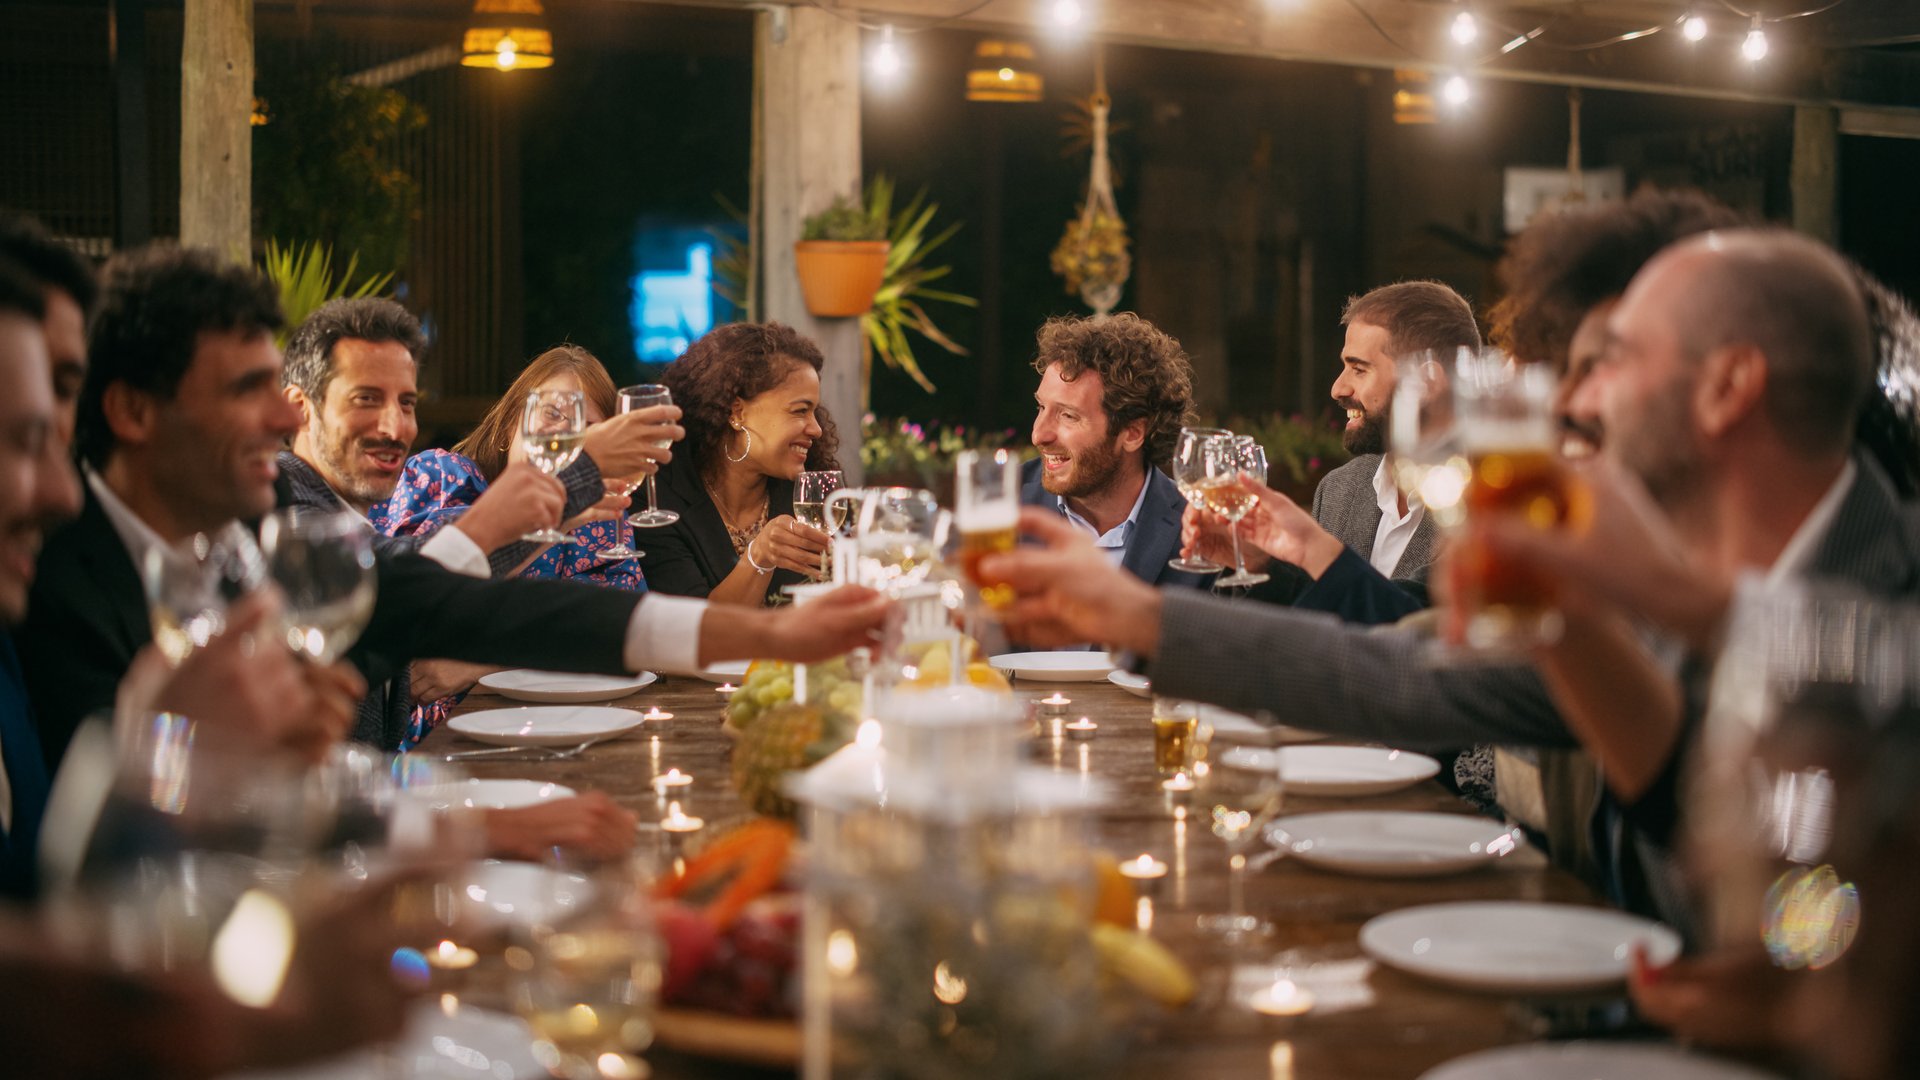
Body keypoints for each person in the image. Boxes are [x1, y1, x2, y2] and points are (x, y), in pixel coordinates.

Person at [980, 228, 1918, 934]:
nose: (1573, 402)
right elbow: (1410, 675)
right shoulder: (1628, 581)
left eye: (1609, 363)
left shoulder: (1887, 598)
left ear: (1728, 387)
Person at [20, 246, 891, 774]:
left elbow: (503, 609)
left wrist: (769, 637)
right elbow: (88, 868)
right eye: (251, 391)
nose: (284, 419)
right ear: (131, 412)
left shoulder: (249, 533)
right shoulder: (53, 577)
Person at [372, 344, 656, 747]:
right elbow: (425, 607)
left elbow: (621, 632)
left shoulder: (599, 516)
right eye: (553, 413)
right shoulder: (443, 477)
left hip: (563, 730)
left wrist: (477, 663)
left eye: (586, 427)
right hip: (430, 746)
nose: (564, 433)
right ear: (511, 425)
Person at [1182, 281, 1481, 623]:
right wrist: (1261, 562)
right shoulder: (1340, 488)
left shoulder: (1491, 502)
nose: (1338, 388)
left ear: (1427, 382)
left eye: (1359, 369)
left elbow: (1412, 631)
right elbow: (1315, 633)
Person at [642, 322, 840, 606]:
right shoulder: (659, 500)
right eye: (800, 411)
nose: (817, 429)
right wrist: (759, 557)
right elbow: (695, 631)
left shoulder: (813, 493)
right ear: (737, 412)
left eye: (814, 411)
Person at [1022, 313, 1209, 591]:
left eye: (1068, 416)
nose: (1039, 434)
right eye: (1042, 408)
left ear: (1132, 433)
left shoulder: (1198, 529)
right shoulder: (1003, 502)